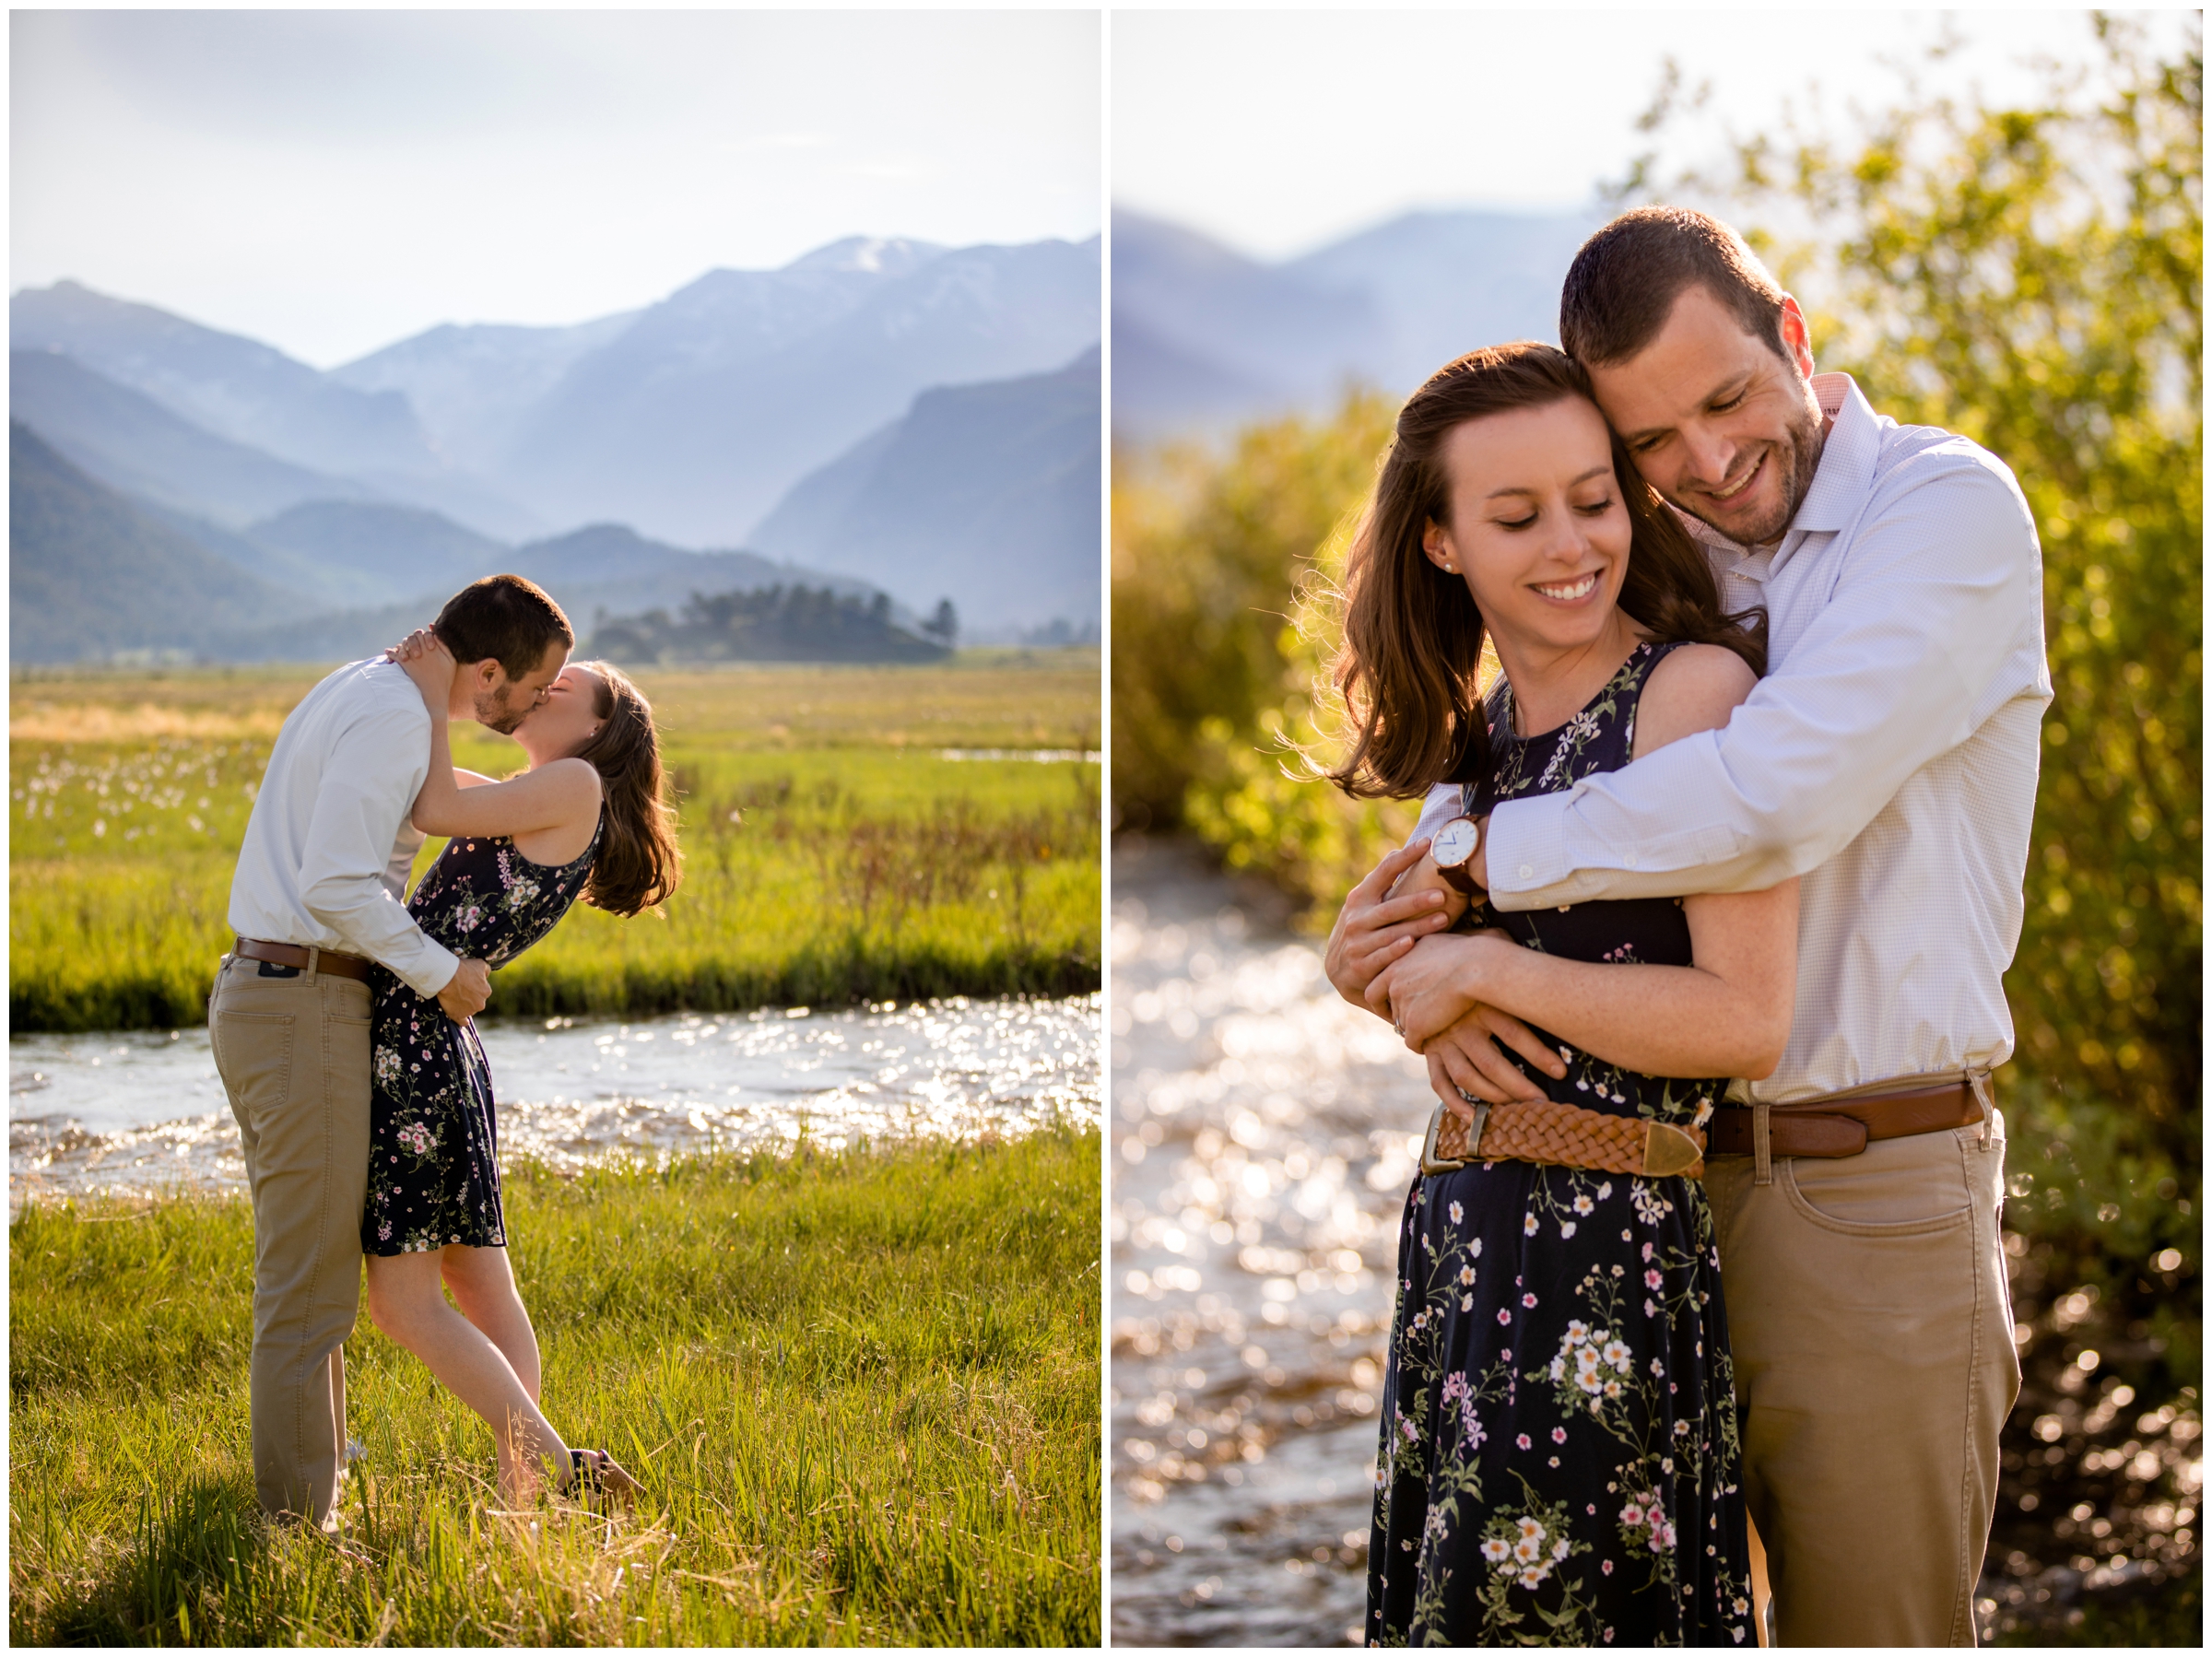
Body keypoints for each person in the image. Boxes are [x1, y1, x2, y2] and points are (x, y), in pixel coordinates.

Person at [1330, 207, 2047, 1645]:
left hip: (1867, 1186)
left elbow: (1773, 799)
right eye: (1651, 443)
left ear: (1792, 331)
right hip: (1647, 1206)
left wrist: (1474, 879)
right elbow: (1565, 735)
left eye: (1726, 401)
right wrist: (1396, 948)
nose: (1705, 464)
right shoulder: (1682, 553)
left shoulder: (1941, 510)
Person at [1334, 340, 1793, 1646]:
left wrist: (1485, 965)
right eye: (1517, 514)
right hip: (1464, 1253)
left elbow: (1744, 1016)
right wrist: (1362, 972)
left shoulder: (1690, 699)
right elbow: (1404, 963)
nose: (1569, 543)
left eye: (1594, 498)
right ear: (1440, 542)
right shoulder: (1477, 746)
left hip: (1610, 1262)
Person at [211, 572, 568, 1530]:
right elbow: (336, 883)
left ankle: (308, 1499)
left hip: (284, 996)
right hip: (306, 1001)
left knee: (315, 1277)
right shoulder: (395, 717)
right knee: (305, 1294)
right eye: (532, 687)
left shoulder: (373, 691)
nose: (535, 706)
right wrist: (440, 969)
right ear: (486, 670)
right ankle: (293, 1529)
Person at [361, 624, 680, 1505]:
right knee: (479, 1284)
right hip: (434, 1044)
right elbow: (423, 789)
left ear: (595, 731)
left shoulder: (572, 785)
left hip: (418, 1048)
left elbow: (431, 808)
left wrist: (430, 693)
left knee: (405, 1305)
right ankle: (525, 1504)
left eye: (565, 689)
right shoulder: (541, 792)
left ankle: (562, 1468)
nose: (546, 690)